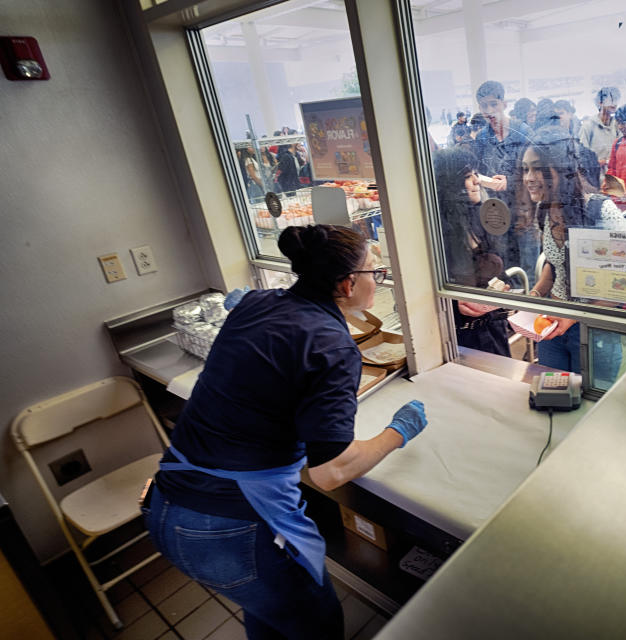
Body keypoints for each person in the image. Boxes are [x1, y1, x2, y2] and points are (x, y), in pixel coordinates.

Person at [144, 224, 428, 640]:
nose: (379, 279)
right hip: (229, 528)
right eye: (376, 272)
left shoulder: (257, 303)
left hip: (166, 503)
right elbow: (329, 472)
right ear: (348, 284)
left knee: (271, 620)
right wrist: (397, 431)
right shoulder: (332, 344)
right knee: (315, 628)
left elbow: (265, 374)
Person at [521, 126, 625, 382]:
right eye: (525, 169)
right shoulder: (545, 209)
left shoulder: (602, 211)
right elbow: (554, 264)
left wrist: (573, 315)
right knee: (554, 398)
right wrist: (533, 298)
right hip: (553, 328)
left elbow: (624, 284)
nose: (529, 177)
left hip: (594, 331)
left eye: (538, 168)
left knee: (591, 407)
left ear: (563, 169)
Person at [434, 146, 512, 356]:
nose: (477, 181)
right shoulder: (436, 230)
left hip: (492, 329)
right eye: (469, 176)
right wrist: (453, 304)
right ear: (451, 184)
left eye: (476, 174)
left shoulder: (479, 216)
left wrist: (504, 288)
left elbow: (496, 270)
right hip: (457, 340)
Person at [473, 80, 537, 283]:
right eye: (484, 106)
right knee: (504, 267)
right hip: (495, 213)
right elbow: (478, 170)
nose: (489, 110)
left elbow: (539, 171)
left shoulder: (524, 133)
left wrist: (510, 181)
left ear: (504, 104)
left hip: (525, 210)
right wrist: (482, 180)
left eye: (494, 104)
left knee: (529, 266)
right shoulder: (482, 138)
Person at [579, 86, 620, 177]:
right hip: (595, 180)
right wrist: (599, 162)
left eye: (616, 100)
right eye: (610, 100)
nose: (614, 103)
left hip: (616, 180)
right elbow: (582, 158)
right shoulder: (588, 126)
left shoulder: (618, 126)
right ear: (600, 103)